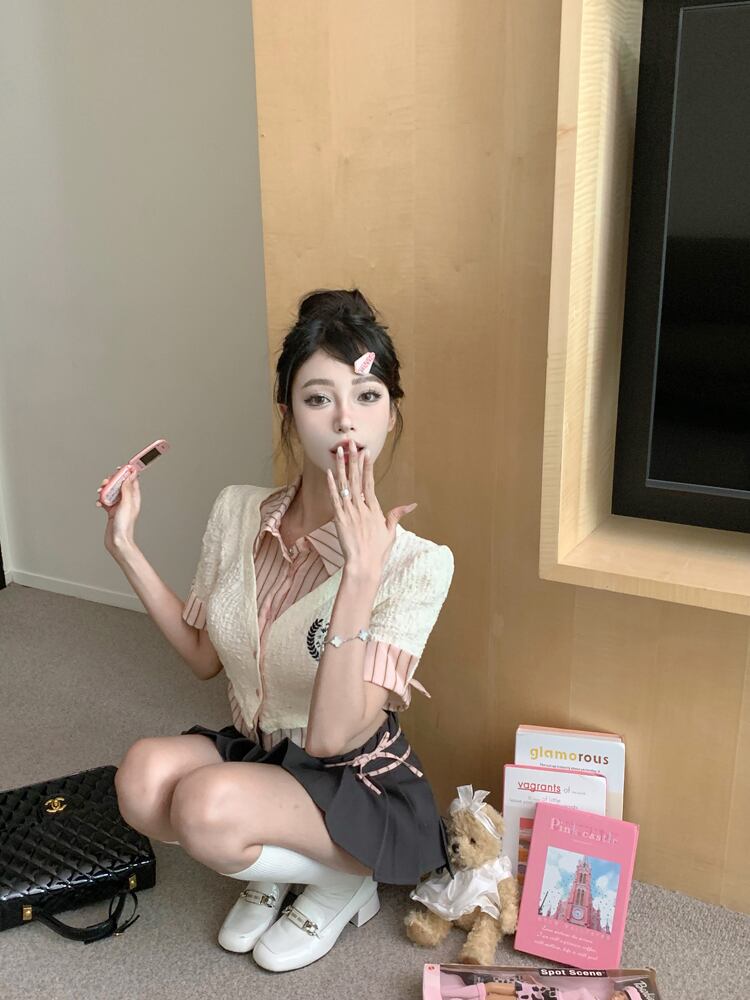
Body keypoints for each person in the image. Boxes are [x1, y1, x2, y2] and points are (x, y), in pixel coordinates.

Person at [98, 288, 456, 972]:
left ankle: (343, 882)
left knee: (204, 807)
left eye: (367, 395)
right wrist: (125, 548)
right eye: (319, 397)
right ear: (289, 412)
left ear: (390, 413)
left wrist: (359, 576)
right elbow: (204, 657)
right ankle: (280, 866)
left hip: (354, 782)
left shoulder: (417, 565)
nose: (345, 419)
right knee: (139, 781)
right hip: (265, 757)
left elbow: (330, 740)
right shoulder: (236, 512)